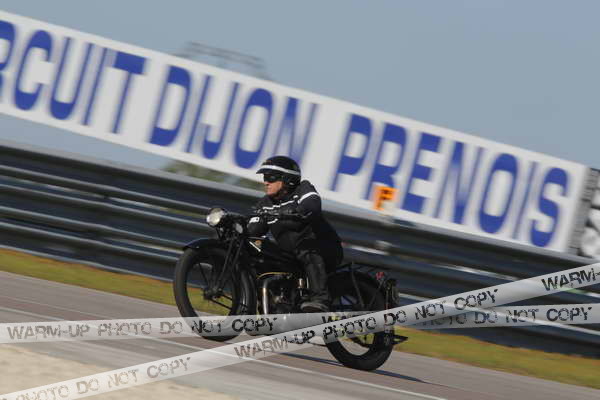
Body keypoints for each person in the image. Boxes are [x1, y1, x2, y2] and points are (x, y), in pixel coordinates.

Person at [247, 155, 343, 313]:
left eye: (270, 178)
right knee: (260, 253)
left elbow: (312, 203)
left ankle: (320, 299)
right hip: (291, 255)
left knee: (306, 249)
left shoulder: (302, 189)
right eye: (265, 177)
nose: (266, 182)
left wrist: (298, 210)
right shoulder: (265, 203)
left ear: (287, 179)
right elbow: (253, 229)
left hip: (325, 249)